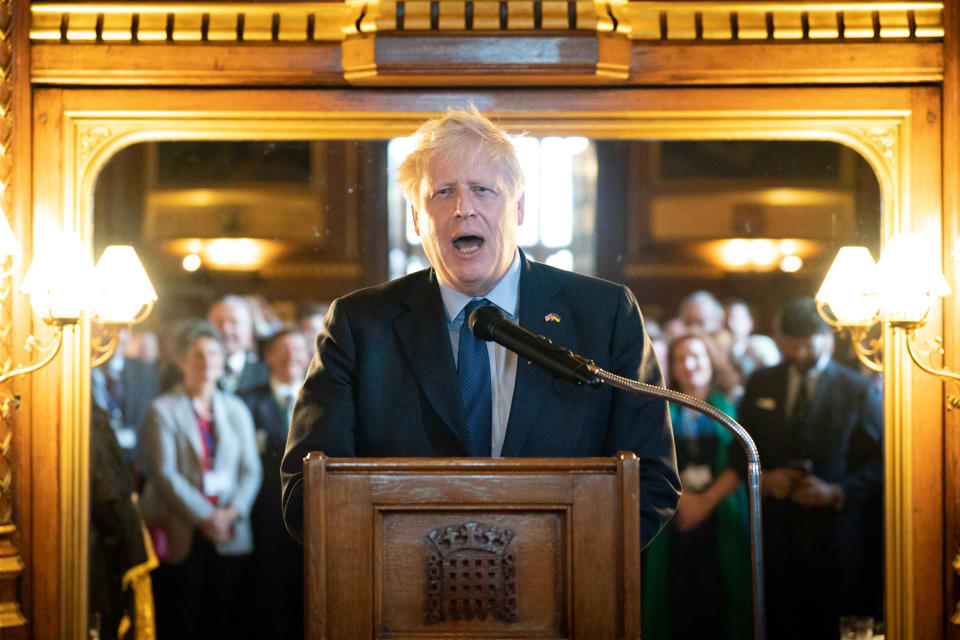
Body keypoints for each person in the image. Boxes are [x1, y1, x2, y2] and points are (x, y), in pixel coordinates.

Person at [281, 107, 680, 547]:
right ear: (417, 218)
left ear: (519, 208)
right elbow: (307, 490)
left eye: (482, 190)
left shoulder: (604, 314)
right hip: (401, 602)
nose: (462, 209)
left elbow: (651, 481)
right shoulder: (359, 326)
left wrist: (563, 570)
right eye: (442, 192)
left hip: (566, 601)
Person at [735, 297, 883, 640]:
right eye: (792, 346)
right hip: (774, 537)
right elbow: (737, 447)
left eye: (808, 346)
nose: (800, 355)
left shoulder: (856, 389)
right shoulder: (762, 383)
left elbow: (881, 463)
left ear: (826, 340)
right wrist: (765, 479)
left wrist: (837, 493)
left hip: (834, 540)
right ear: (782, 341)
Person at [138, 319, 262, 640]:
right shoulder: (163, 409)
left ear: (223, 361)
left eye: (214, 354)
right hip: (184, 529)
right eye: (198, 355)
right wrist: (207, 517)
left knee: (224, 619)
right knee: (183, 619)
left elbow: (251, 471)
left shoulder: (237, 409)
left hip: (231, 532)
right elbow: (165, 475)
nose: (207, 362)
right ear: (181, 361)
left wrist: (230, 514)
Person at [642, 333, 750, 640]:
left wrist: (706, 501)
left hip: (722, 512)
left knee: (721, 596)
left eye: (697, 356)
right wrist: (685, 500)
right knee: (675, 597)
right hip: (674, 514)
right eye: (680, 359)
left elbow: (740, 461)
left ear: (712, 361)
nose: (689, 365)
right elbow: (652, 458)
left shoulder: (734, 403)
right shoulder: (659, 406)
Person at [239, 326, 311, 639]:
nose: (290, 357)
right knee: (265, 597)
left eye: (297, 350)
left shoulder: (320, 398)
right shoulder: (246, 401)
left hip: (310, 510)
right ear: (268, 357)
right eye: (282, 349)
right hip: (263, 514)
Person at [207, 295, 270, 394]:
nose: (226, 329)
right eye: (219, 322)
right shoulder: (195, 371)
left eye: (234, 322)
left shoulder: (267, 373)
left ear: (249, 331)